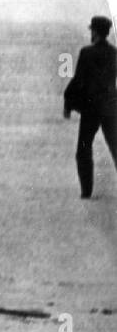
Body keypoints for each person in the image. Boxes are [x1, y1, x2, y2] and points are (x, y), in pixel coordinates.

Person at [64, 15, 117, 198]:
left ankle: (86, 191)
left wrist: (68, 102)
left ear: (95, 31)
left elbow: (78, 80)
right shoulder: (114, 53)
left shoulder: (87, 52)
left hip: (91, 109)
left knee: (84, 150)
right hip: (111, 109)